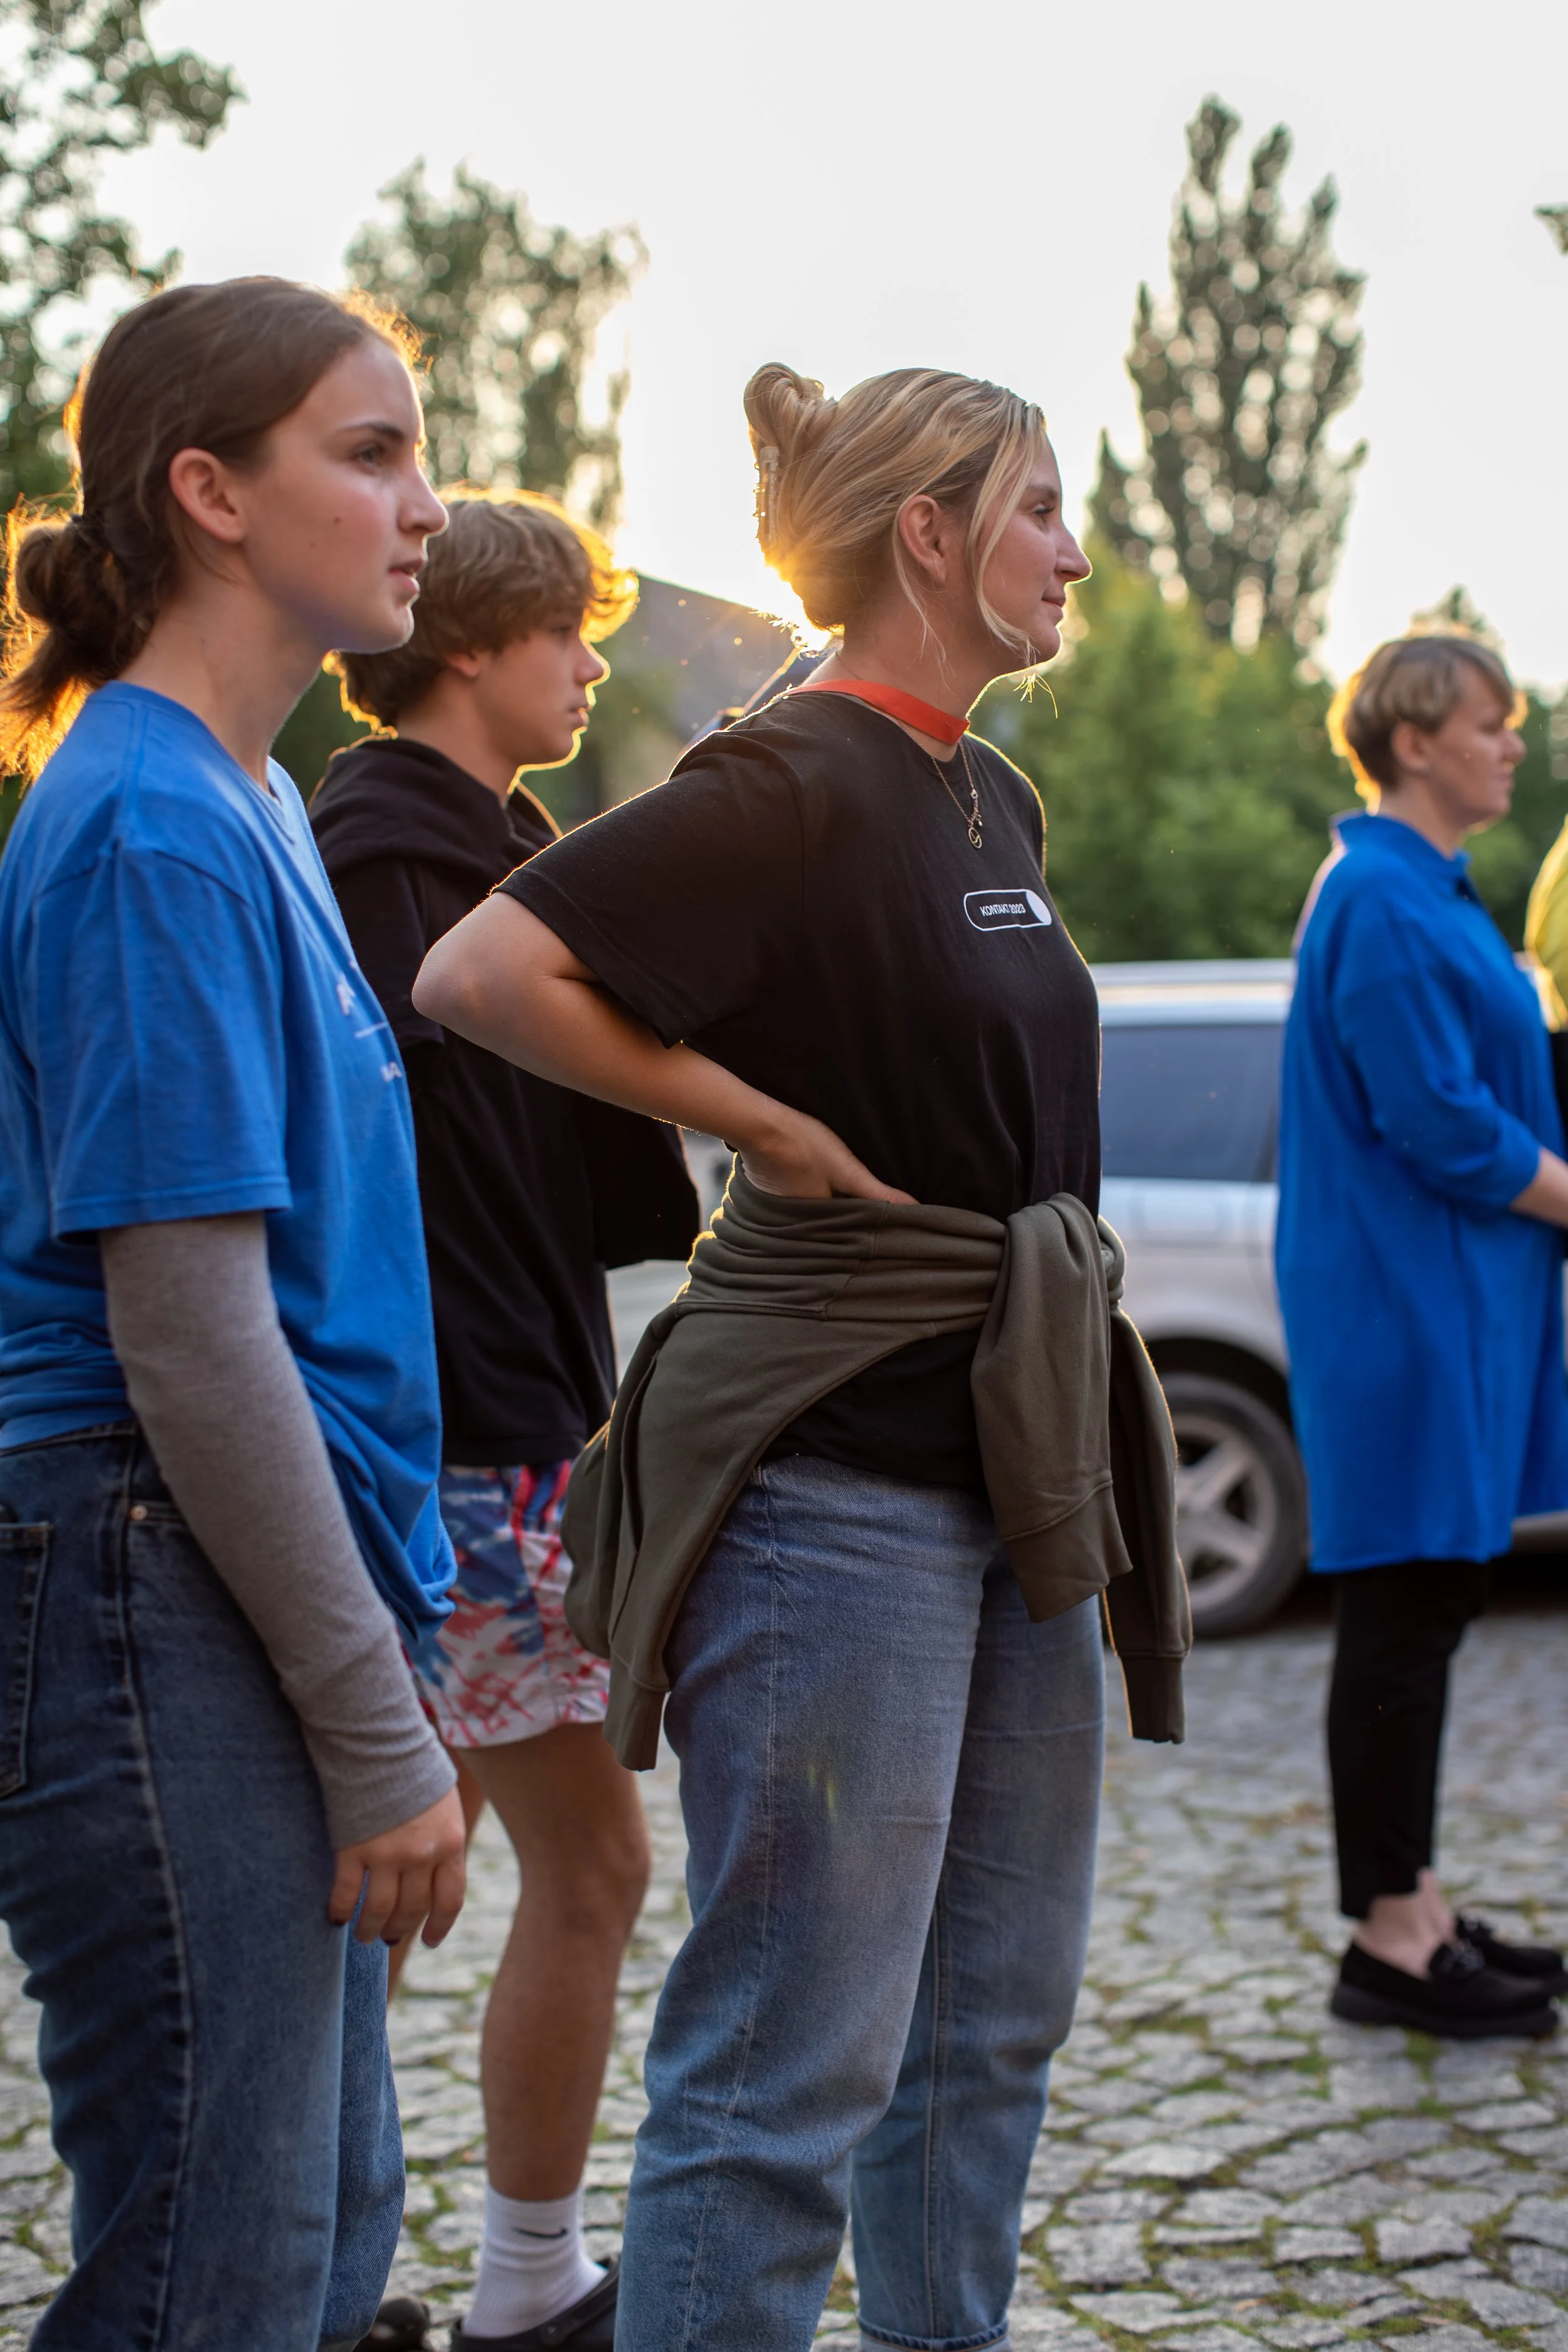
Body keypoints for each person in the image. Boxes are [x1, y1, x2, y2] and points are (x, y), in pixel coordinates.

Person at [413, 362, 1190, 2352]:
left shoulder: (978, 782)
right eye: (1035, 507)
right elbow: (480, 969)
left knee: (987, 2025)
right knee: (786, 2070)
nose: (1072, 551)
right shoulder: (791, 771)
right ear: (924, 532)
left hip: (1014, 1472)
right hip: (834, 1492)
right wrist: (742, 1119)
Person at [0, 278, 469, 2352]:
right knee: (223, 2248)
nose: (424, 504)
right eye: (369, 453)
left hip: (232, 1569)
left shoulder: (252, 799)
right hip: (141, 1561)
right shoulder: (152, 830)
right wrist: (376, 1725)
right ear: (206, 491)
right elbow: (188, 1333)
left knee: (321, 2219)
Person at [310, 490, 698, 2352]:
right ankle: (526, 2283)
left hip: (487, 1425)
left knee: (394, 1864)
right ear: (470, 645)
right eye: (568, 632)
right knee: (587, 1862)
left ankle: (308, 2259)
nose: (592, 661)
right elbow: (424, 1191)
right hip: (473, 1438)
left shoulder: (470, 836)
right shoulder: (396, 847)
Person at [1278, 632, 1568, 2040]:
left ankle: (1417, 1902)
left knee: (1433, 1608)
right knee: (1399, 1617)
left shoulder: (1426, 891)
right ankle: (1386, 1940)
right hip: (1404, 1309)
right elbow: (1435, 1118)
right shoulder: (1382, 899)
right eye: (1487, 724)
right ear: (1409, 742)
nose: (1509, 744)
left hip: (1458, 1302)